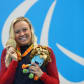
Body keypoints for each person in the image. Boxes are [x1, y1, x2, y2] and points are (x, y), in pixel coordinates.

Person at [0, 17, 59, 84]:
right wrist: (14, 61)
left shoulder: (45, 52)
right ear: (13, 35)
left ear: (31, 30)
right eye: (17, 32)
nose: (22, 34)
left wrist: (42, 75)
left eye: (25, 30)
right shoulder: (8, 52)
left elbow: (56, 82)